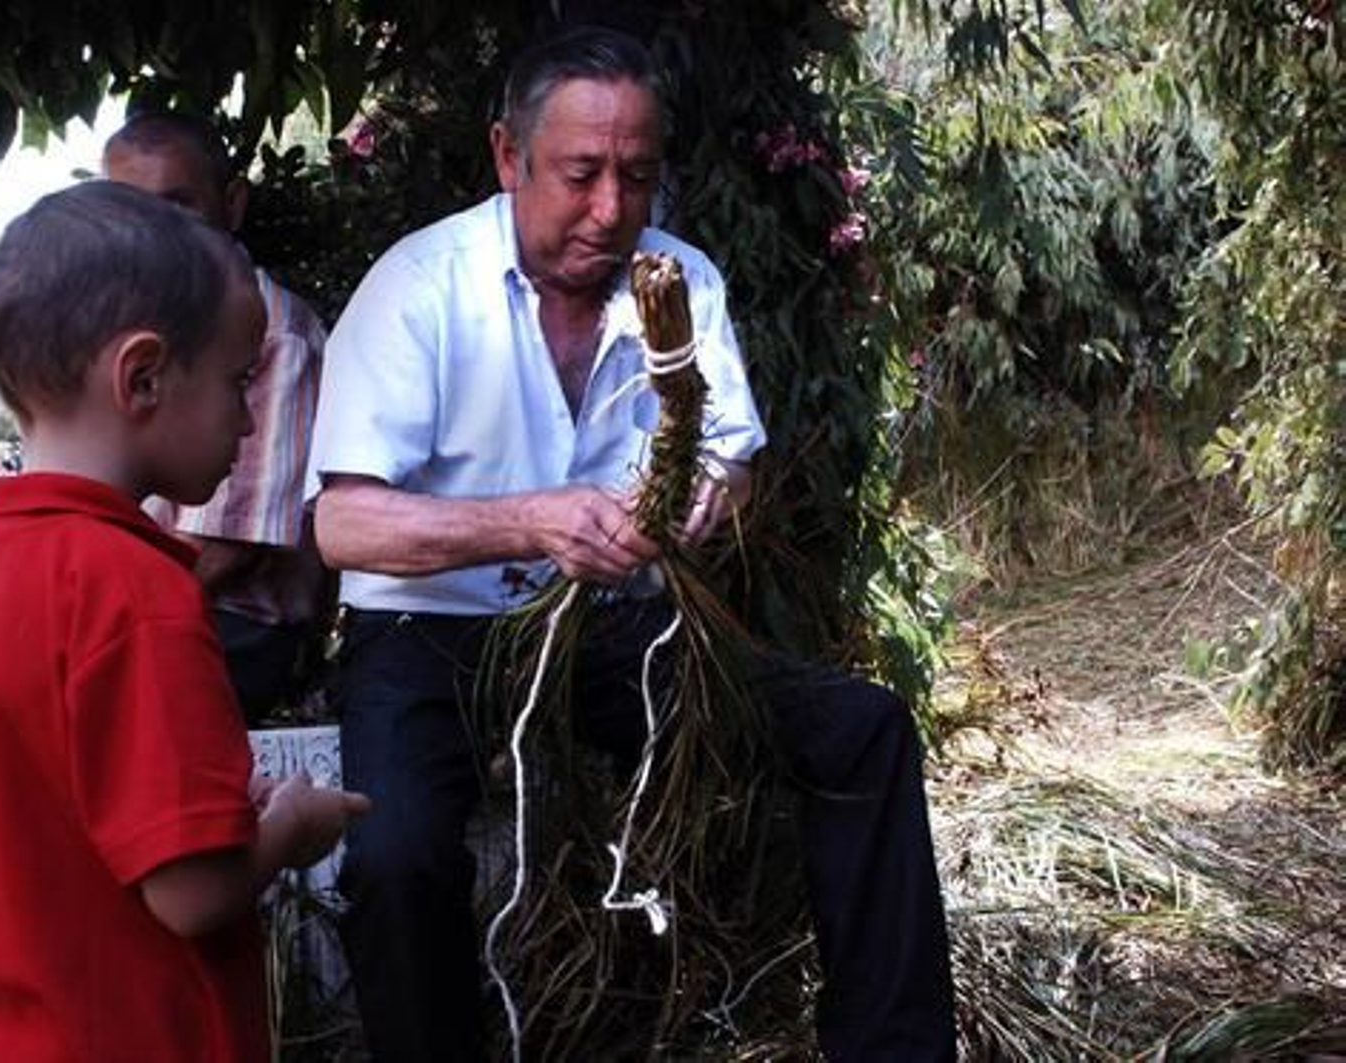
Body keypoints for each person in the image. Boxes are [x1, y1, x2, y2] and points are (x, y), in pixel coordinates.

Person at [306, 26, 956, 1062]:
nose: (610, 210)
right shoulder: (418, 288)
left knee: (861, 732)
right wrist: (530, 518)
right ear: (506, 157)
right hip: (429, 635)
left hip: (618, 631)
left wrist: (715, 498)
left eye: (638, 176)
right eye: (579, 173)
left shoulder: (681, 282)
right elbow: (343, 524)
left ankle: (894, 1049)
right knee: (394, 855)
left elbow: (733, 466)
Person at [0, 181, 370, 1060]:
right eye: (238, 381)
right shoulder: (137, 587)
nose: (248, 416)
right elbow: (191, 890)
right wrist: (293, 825)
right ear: (142, 376)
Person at [103, 111, 332, 727]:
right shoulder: (121, 322)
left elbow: (230, 549)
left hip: (238, 624)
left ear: (231, 206)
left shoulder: (278, 331)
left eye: (178, 207)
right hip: (145, 600)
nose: (155, 232)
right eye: (130, 209)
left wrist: (109, 621)